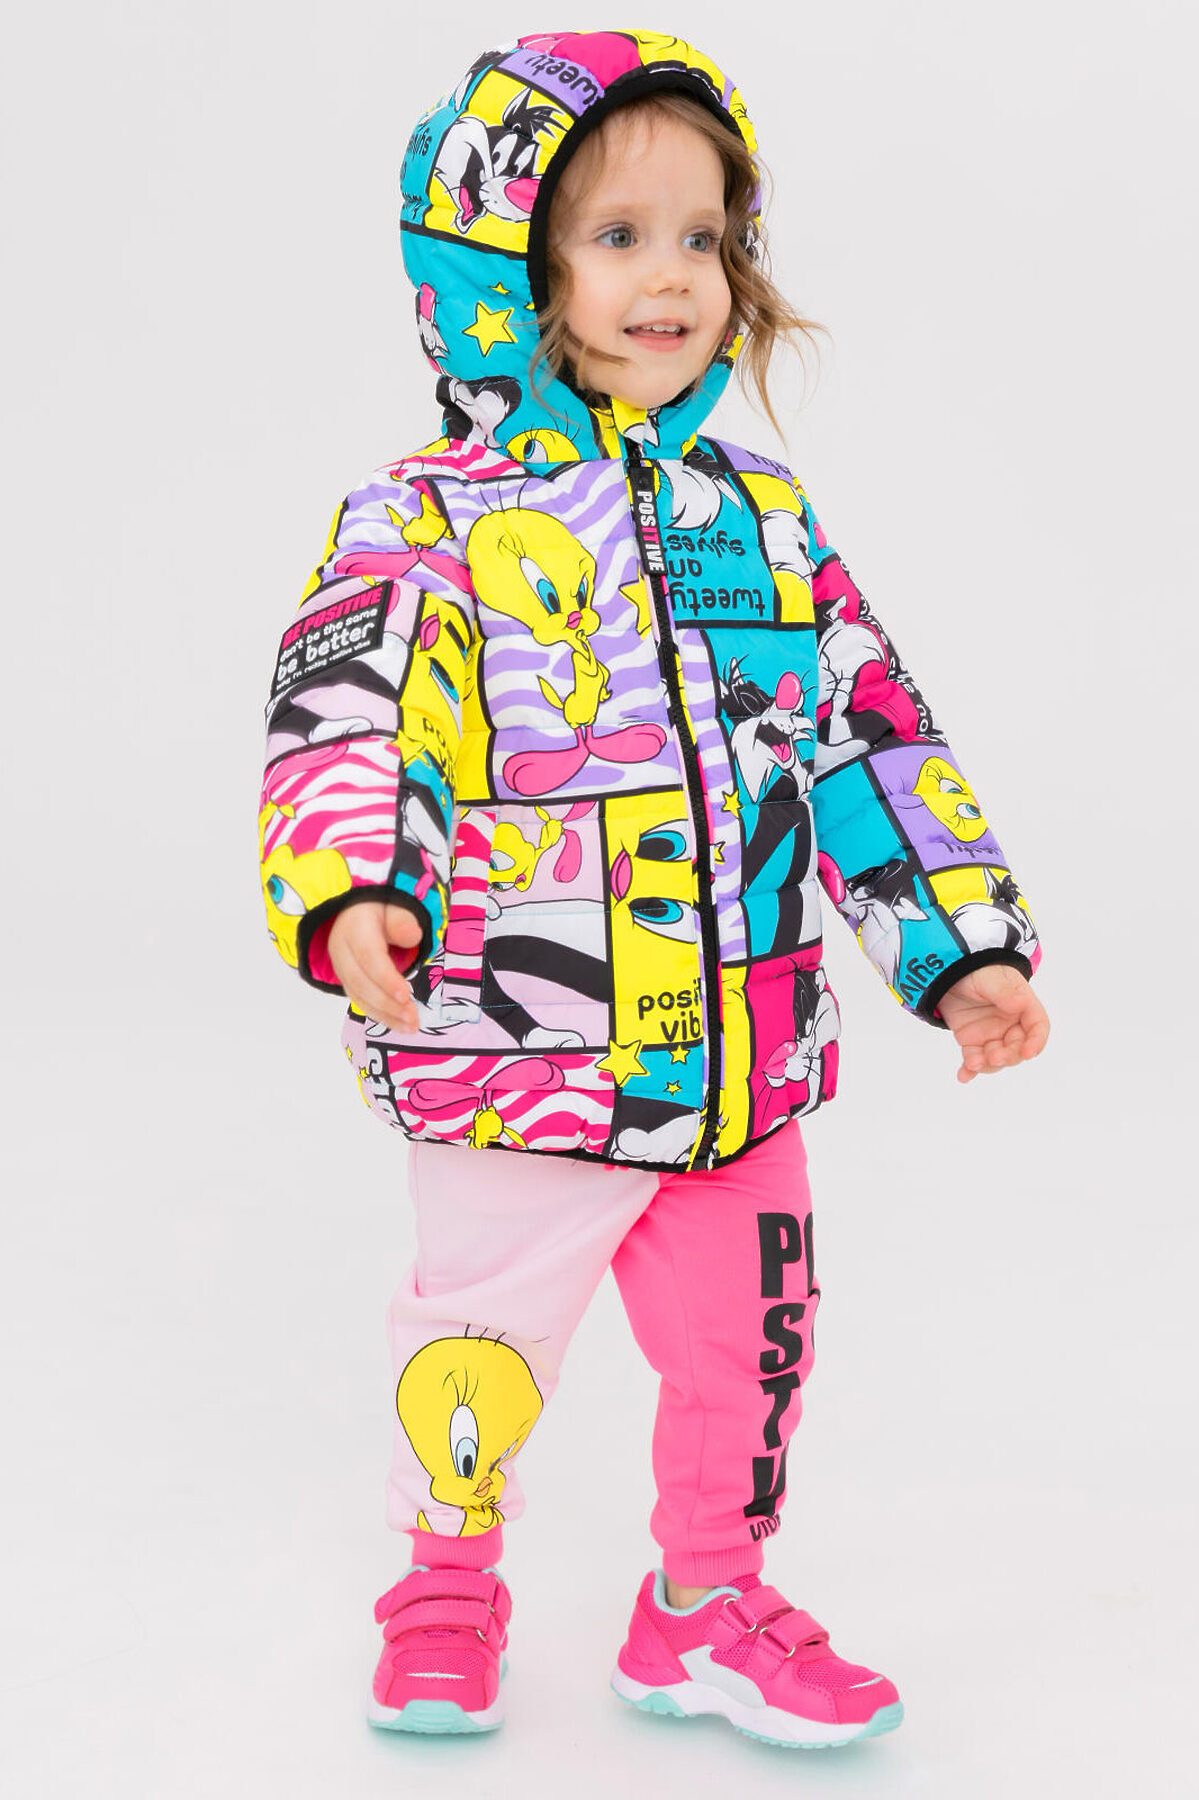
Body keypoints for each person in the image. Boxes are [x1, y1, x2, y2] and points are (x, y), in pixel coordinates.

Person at [258, 27, 1049, 1751]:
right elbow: (356, 708)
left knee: (752, 1355)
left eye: (703, 237)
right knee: (478, 1345)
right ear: (508, 274)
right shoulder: (425, 516)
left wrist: (960, 946)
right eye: (619, 237)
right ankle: (445, 1584)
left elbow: (863, 731)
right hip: (512, 1055)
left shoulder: (760, 516)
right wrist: (354, 888)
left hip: (737, 1062)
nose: (672, 278)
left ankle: (702, 1604)